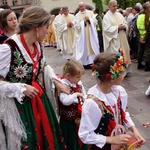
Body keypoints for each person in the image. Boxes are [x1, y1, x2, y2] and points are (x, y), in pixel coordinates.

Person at [0, 6, 71, 150]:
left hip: (38, 99)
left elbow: (44, 66)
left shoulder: (37, 45)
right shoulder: (8, 48)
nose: (47, 31)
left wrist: (56, 81)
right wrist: (19, 87)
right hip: (18, 106)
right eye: (46, 27)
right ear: (36, 27)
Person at [78, 50, 146, 150]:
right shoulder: (93, 103)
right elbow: (84, 135)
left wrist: (134, 131)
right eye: (122, 73)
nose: (124, 75)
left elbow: (122, 113)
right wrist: (111, 140)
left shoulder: (119, 91)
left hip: (119, 144)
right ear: (112, 79)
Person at [59, 59, 89, 150]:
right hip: (69, 120)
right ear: (68, 76)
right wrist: (75, 95)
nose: (79, 79)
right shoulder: (63, 85)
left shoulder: (78, 83)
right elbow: (65, 101)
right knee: (71, 139)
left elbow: (84, 95)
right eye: (78, 77)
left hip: (79, 117)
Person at [102, 0, 131, 66]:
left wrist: (124, 26)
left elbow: (125, 23)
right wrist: (117, 28)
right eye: (113, 6)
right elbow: (106, 29)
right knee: (116, 54)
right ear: (109, 6)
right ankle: (117, 70)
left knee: (125, 52)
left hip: (122, 37)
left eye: (116, 6)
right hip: (114, 40)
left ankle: (125, 69)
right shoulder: (106, 17)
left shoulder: (119, 15)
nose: (115, 7)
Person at [74, 2, 99, 69]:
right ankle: (85, 63)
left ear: (85, 6)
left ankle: (92, 61)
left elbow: (95, 21)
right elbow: (76, 26)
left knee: (92, 46)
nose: (81, 8)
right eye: (80, 6)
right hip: (83, 36)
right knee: (84, 48)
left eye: (82, 6)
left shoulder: (90, 13)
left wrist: (89, 20)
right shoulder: (77, 15)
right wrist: (83, 22)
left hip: (91, 34)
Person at [136, 2, 150, 71]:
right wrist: (145, 38)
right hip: (147, 37)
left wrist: (140, 38)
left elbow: (136, 29)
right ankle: (147, 66)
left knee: (140, 51)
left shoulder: (139, 17)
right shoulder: (148, 17)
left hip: (140, 37)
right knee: (148, 51)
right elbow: (149, 31)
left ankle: (139, 64)